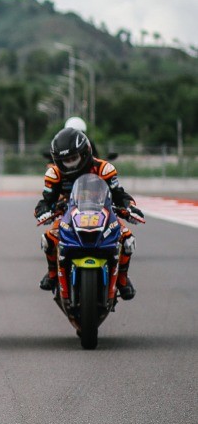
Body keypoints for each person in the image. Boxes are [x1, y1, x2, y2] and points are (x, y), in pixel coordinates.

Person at [34, 127, 144, 299]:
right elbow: (46, 200)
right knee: (48, 239)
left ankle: (122, 280)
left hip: (104, 213)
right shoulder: (54, 173)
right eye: (65, 160)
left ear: (85, 153)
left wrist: (129, 207)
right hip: (68, 215)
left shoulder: (104, 168)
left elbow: (119, 194)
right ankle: (52, 274)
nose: (69, 163)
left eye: (73, 158)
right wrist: (43, 210)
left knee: (128, 239)